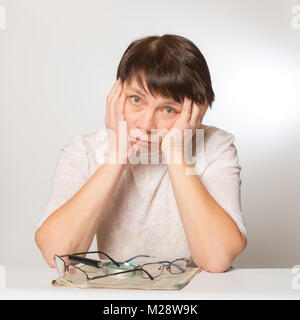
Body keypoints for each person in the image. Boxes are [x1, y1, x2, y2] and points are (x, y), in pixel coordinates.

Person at [35, 34, 247, 273]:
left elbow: (217, 259)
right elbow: (57, 254)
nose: (146, 124)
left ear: (197, 110)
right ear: (117, 95)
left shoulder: (215, 146)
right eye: (136, 99)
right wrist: (117, 156)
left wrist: (176, 155)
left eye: (168, 109)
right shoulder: (84, 150)